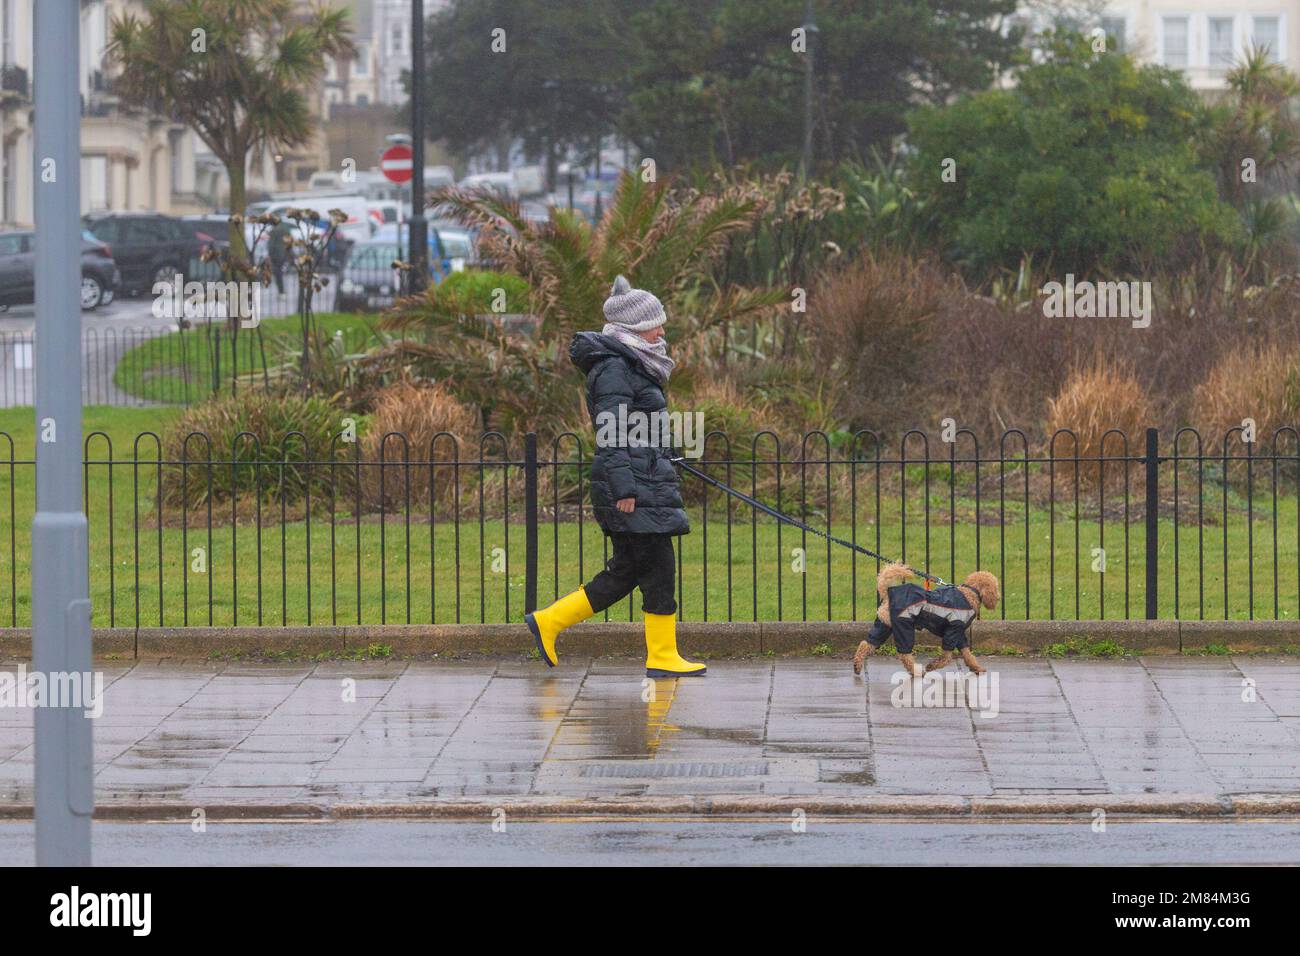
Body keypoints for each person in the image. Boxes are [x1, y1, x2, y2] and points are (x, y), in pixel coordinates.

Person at [525, 275, 705, 678]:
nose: (662, 330)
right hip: (629, 485)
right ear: (633, 329)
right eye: (654, 324)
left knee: (628, 571)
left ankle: (550, 622)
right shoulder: (614, 368)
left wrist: (671, 454)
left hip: (644, 477)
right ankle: (660, 655)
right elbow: (612, 428)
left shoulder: (634, 364)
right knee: (655, 568)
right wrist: (625, 487)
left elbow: (643, 425)